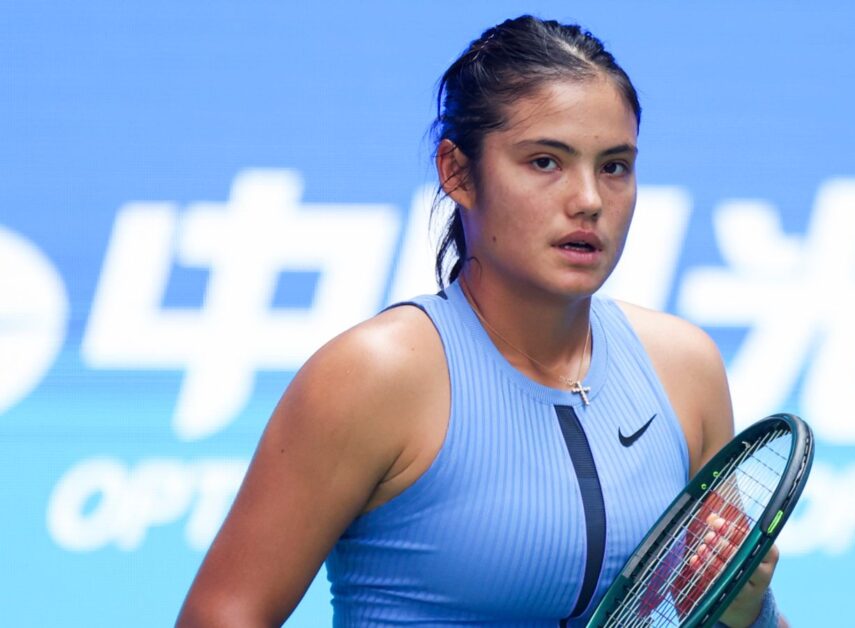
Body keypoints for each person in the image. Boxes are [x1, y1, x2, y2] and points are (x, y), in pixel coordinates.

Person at [178, 15, 788, 627]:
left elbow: (725, 614)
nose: (589, 200)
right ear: (458, 172)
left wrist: (745, 610)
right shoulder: (372, 375)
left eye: (614, 167)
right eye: (545, 162)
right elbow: (220, 617)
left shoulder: (684, 369)